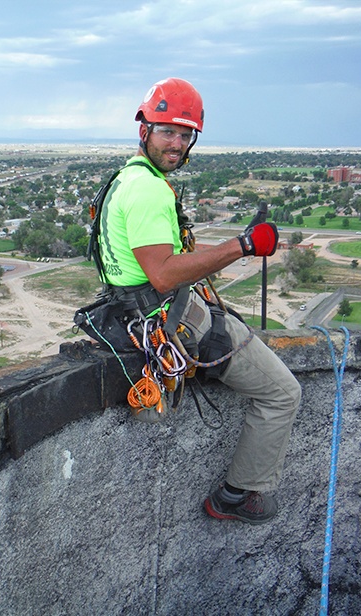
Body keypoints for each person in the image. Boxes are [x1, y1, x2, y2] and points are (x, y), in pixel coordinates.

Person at [91, 77, 301, 525]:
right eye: (168, 131)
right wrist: (241, 246)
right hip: (167, 317)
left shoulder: (126, 179)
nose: (178, 143)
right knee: (283, 392)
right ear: (144, 130)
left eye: (186, 135)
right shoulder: (147, 189)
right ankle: (238, 495)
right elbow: (164, 273)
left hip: (130, 311)